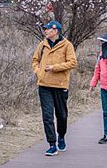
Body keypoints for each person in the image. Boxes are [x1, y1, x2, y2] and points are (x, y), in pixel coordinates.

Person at [31, 20, 77, 156]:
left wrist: (54, 68)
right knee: (47, 116)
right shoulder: (42, 45)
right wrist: (38, 71)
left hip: (60, 85)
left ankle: (61, 136)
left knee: (62, 115)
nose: (45, 31)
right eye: (45, 29)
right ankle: (52, 144)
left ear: (56, 30)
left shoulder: (67, 45)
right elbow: (35, 60)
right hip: (44, 85)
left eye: (48, 29)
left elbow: (73, 63)